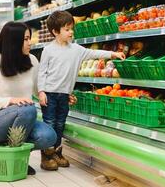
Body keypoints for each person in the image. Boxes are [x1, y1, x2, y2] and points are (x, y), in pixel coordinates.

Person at [37, 10, 125, 170]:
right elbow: (42, 72)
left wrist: (113, 54)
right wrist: (41, 91)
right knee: (49, 123)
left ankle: (56, 151)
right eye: (67, 29)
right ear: (55, 32)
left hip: (64, 95)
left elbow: (94, 53)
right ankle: (46, 155)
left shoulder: (76, 49)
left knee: (60, 123)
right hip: (49, 94)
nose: (71, 32)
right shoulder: (48, 50)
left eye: (72, 28)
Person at [0, 21, 58, 175]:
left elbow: (38, 91)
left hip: (24, 121)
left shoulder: (32, 61)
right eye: (26, 39)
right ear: (13, 41)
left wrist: (60, 94)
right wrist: (11, 100)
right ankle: (18, 159)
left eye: (29, 38)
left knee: (49, 136)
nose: (30, 42)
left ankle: (9, 148)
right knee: (28, 109)